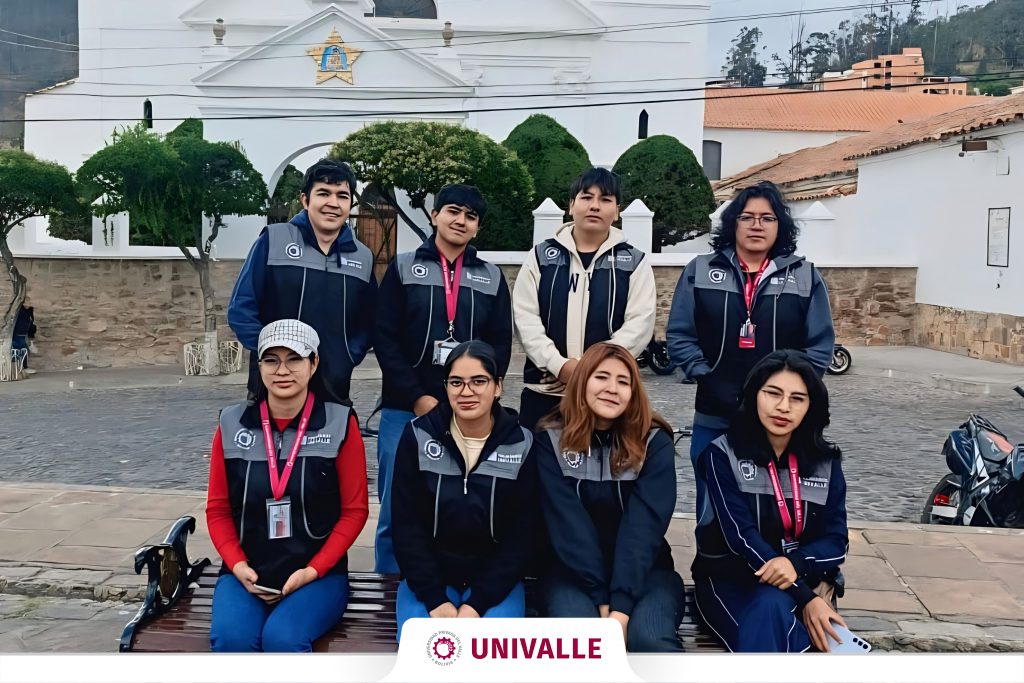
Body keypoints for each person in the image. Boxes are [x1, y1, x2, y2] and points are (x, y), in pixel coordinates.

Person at [665, 181, 835, 524]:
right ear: (733, 223)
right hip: (715, 413)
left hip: (779, 422)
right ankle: (711, 559)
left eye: (767, 218)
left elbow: (819, 347)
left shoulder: (804, 276)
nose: (757, 225)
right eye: (747, 217)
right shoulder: (700, 270)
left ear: (780, 226)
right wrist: (705, 375)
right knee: (712, 508)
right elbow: (680, 334)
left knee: (772, 509)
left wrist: (791, 393)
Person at [373, 184, 513, 573]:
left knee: (459, 504)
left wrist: (476, 400)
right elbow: (385, 338)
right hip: (405, 410)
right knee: (396, 505)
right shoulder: (403, 268)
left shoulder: (491, 277)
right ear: (435, 215)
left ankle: (444, 579)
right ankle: (389, 587)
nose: (460, 221)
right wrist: (417, 397)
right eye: (453, 211)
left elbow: (500, 345)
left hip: (467, 415)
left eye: (471, 216)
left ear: (478, 227)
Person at [206, 319, 369, 652]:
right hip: (246, 572)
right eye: (271, 360)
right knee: (232, 640)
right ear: (259, 366)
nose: (282, 370)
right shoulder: (231, 424)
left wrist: (313, 571)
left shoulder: (340, 423)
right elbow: (218, 509)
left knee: (283, 639)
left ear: (314, 363)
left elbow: (355, 511)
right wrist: (237, 565)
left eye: (294, 359)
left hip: (318, 576)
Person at [692, 350, 848, 653]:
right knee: (771, 613)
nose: (783, 407)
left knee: (773, 610)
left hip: (800, 579)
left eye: (797, 399)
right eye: (773, 393)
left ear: (811, 406)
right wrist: (807, 599)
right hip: (731, 581)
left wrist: (797, 565)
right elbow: (741, 538)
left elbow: (836, 541)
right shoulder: (721, 455)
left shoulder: (826, 463)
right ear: (754, 395)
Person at [534, 342, 685, 652]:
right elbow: (568, 527)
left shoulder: (653, 442)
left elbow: (643, 528)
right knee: (581, 642)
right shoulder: (551, 440)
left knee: (650, 640)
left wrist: (620, 606)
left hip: (646, 572)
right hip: (571, 574)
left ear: (633, 391)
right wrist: (602, 599)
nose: (612, 389)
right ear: (582, 381)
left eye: (623, 381)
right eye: (601, 377)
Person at [391, 341, 539, 641]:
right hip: (430, 580)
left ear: (497, 386)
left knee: (493, 652)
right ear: (445, 387)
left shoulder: (522, 443)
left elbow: (524, 535)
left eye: (479, 381)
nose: (466, 391)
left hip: (495, 582)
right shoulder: (418, 435)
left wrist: (478, 602)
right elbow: (406, 526)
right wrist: (434, 598)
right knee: (422, 648)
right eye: (456, 382)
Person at [513, 167, 656, 431]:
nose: (595, 206)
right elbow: (525, 318)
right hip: (545, 392)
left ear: (617, 211)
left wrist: (590, 370)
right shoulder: (541, 257)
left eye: (605, 199)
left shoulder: (633, 262)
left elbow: (639, 324)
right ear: (571, 205)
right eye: (586, 197)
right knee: (538, 457)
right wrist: (559, 365)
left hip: (607, 396)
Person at [228, 159, 376, 406]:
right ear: (305, 200)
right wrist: (272, 357)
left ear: (350, 204)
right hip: (275, 389)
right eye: (323, 193)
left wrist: (348, 357)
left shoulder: (363, 257)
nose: (333, 203)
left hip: (334, 387)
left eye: (342, 196)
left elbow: (369, 321)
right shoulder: (273, 240)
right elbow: (241, 307)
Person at [13, 300, 37, 375]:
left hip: (23, 335)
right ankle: (22, 368)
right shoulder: (19, 310)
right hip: (16, 335)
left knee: (24, 350)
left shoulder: (30, 311)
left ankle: (22, 368)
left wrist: (31, 335)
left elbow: (32, 324)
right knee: (19, 350)